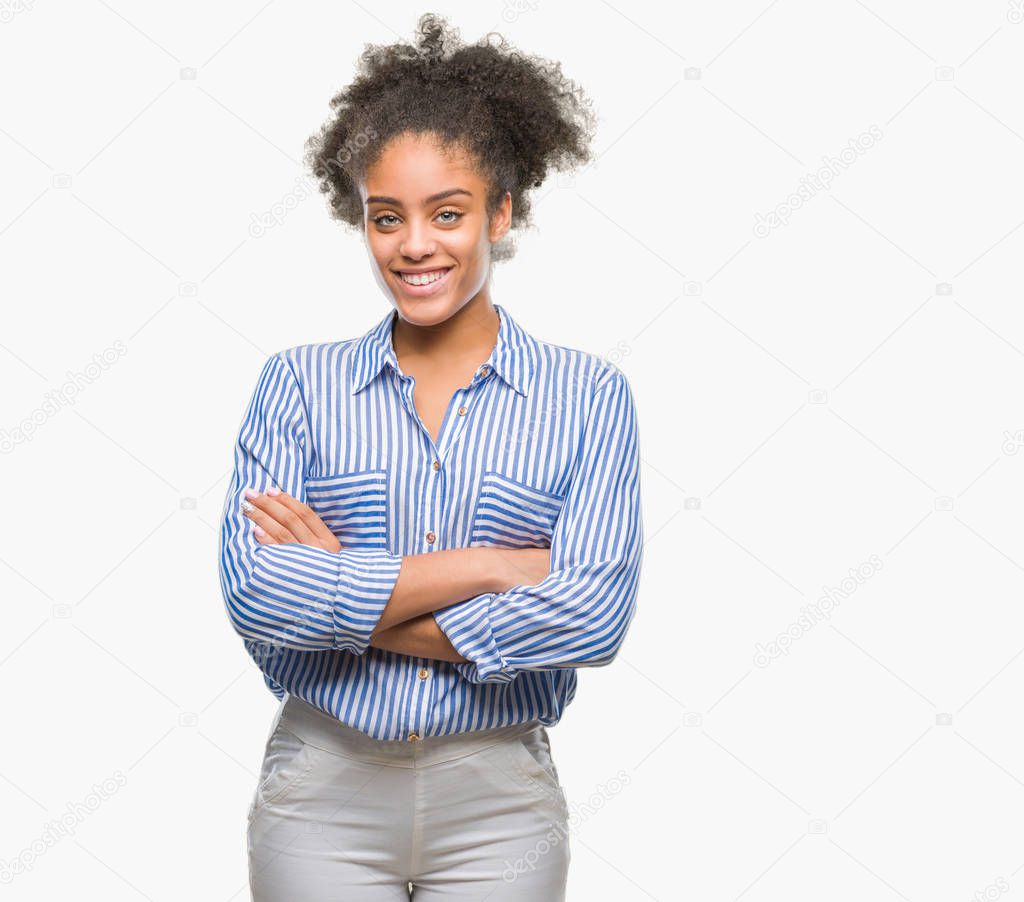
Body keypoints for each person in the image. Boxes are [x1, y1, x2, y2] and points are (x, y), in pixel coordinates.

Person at [217, 13, 644, 900]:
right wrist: (492, 567)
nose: (415, 245)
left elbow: (592, 617)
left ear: (499, 211)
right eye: (387, 217)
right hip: (321, 786)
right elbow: (257, 595)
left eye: (446, 213)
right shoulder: (297, 385)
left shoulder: (590, 397)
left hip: (500, 801)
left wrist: (346, 590)